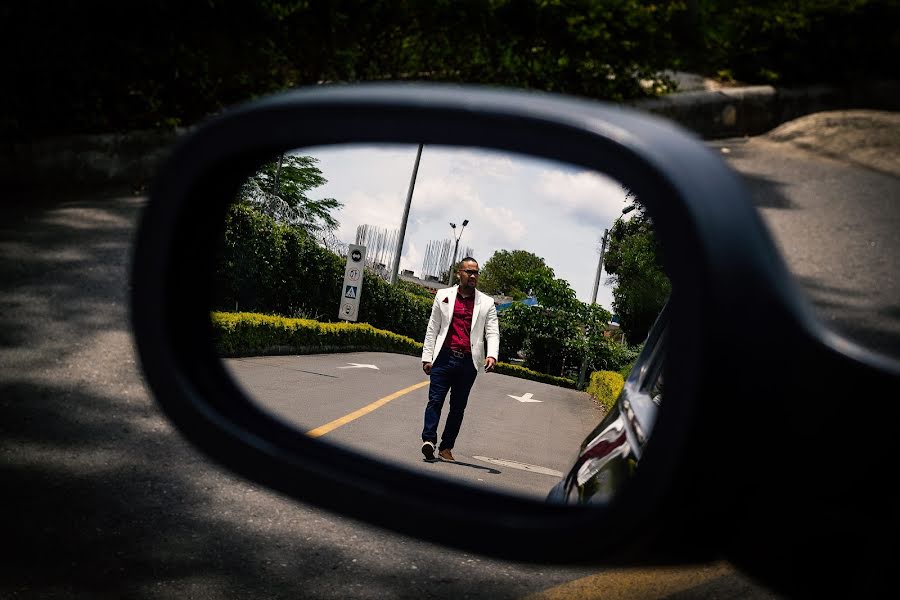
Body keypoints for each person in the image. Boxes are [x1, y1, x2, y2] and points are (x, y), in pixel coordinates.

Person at [420, 257, 500, 461]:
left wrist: (492, 354)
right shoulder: (443, 295)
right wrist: (427, 356)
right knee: (435, 400)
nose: (473, 276)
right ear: (459, 273)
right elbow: (433, 327)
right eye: (469, 272)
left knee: (458, 407)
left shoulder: (487, 302)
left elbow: (492, 331)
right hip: (443, 358)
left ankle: (446, 447)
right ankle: (428, 440)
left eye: (476, 272)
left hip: (468, 362)